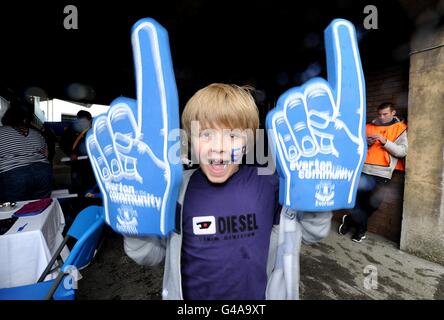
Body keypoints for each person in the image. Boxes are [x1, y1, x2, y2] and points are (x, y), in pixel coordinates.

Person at [123, 83, 332, 300]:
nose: (219, 147)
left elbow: (311, 233)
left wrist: (318, 195)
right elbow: (150, 255)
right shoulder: (177, 191)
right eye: (205, 134)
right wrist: (132, 224)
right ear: (190, 140)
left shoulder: (270, 184)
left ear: (248, 142)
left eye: (233, 136)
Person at [338, 102, 408, 242]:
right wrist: (366, 143)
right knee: (359, 202)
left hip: (382, 173)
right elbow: (353, 147)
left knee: (373, 205)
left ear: (393, 113)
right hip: (363, 170)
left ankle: (350, 220)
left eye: (385, 114)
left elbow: (402, 151)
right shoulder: (368, 127)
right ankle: (361, 230)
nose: (381, 117)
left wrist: (385, 141)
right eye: (379, 114)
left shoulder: (400, 128)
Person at [0, 102, 53, 202]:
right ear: (24, 119)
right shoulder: (35, 133)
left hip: (14, 174)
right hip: (43, 172)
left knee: (15, 210)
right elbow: (46, 154)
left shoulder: (1, 131)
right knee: (40, 206)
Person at [60, 110, 96, 196]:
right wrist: (70, 153)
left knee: (92, 186)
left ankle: (91, 202)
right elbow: (62, 143)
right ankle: (79, 203)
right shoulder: (71, 130)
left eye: (87, 120)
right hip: (77, 163)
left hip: (92, 164)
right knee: (78, 187)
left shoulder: (94, 129)